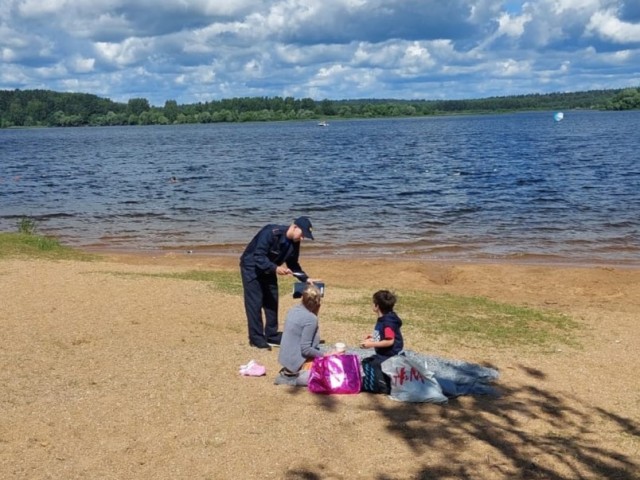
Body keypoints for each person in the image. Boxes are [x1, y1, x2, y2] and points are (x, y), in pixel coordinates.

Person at [240, 216, 317, 350]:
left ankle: (272, 335)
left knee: (272, 301)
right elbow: (259, 256)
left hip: (270, 269)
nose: (302, 238)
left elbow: (293, 263)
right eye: (302, 234)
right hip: (252, 267)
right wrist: (275, 268)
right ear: (294, 227)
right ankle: (256, 338)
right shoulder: (270, 233)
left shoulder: (295, 241)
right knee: (255, 302)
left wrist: (306, 279)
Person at [274, 284, 325, 386]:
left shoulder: (293, 310)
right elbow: (306, 349)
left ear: (302, 298)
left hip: (286, 361)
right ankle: (292, 379)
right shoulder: (311, 319)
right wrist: (325, 355)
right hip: (296, 368)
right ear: (317, 303)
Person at [360, 290, 404, 394]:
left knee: (371, 365)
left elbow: (390, 341)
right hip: (385, 354)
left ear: (377, 306)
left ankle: (384, 386)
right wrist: (374, 337)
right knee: (366, 362)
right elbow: (385, 335)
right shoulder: (386, 318)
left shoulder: (387, 322)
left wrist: (371, 344)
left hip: (389, 356)